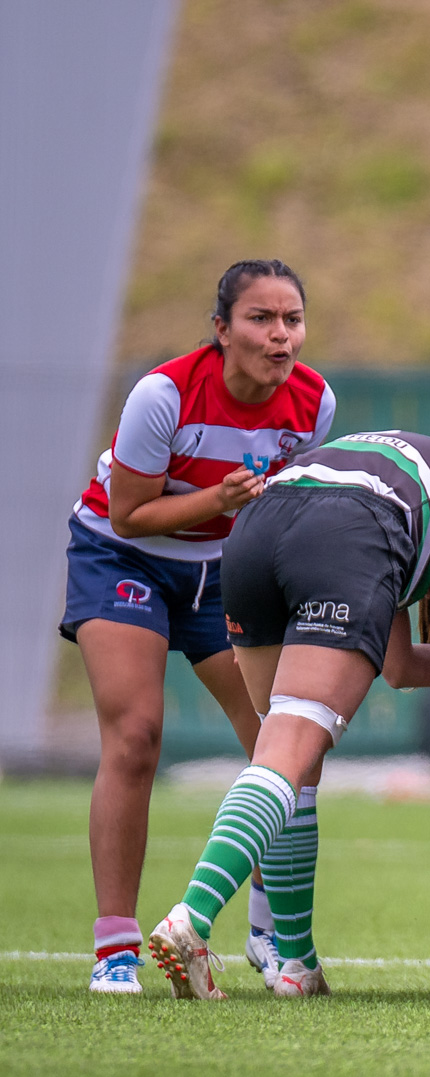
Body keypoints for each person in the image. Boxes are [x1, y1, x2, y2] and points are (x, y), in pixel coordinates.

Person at [144, 428, 430, 998]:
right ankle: (192, 915)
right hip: (354, 522)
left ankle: (296, 965)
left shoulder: (417, 538)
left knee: (284, 760)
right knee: (290, 752)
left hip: (260, 525)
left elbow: (401, 667)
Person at [65, 260, 335, 995]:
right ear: (221, 329)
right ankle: (115, 947)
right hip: (125, 557)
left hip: (226, 570)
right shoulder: (164, 394)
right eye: (260, 319)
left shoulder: (314, 400)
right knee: (136, 735)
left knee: (285, 747)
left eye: (292, 320)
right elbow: (129, 513)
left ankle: (266, 931)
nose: (280, 336)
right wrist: (218, 495)